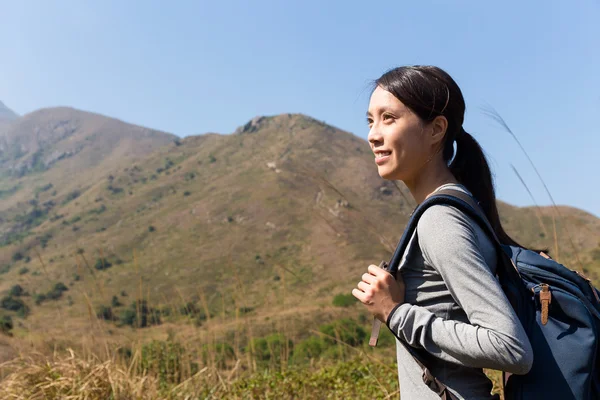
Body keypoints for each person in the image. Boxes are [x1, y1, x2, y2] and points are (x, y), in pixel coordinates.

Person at [351, 65, 534, 400]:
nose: (373, 135)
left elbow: (510, 348)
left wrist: (395, 312)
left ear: (436, 129)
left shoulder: (441, 220)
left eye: (388, 118)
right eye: (370, 120)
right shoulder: (454, 207)